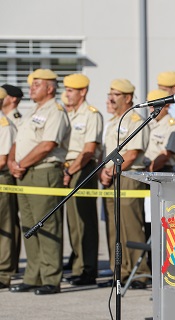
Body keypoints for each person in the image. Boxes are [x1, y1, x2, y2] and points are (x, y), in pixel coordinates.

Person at [8, 69, 71, 295]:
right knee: (28, 225)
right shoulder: (33, 111)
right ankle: (32, 276)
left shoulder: (55, 111)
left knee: (46, 224)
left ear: (50, 88)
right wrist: (13, 162)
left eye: (37, 84)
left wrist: (21, 163)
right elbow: (19, 139)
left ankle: (50, 278)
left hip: (43, 172)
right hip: (24, 172)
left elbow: (48, 145)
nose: (31, 88)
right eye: (32, 85)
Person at [99, 79, 150, 289]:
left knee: (130, 227)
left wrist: (110, 170)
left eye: (116, 94)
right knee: (114, 227)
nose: (111, 98)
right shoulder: (114, 121)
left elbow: (133, 152)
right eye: (110, 93)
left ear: (128, 98)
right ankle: (119, 272)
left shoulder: (136, 120)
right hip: (111, 177)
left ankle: (140, 273)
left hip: (128, 176)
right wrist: (104, 170)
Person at [62, 74, 103, 286]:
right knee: (73, 224)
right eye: (66, 90)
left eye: (71, 90)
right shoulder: (68, 114)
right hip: (68, 167)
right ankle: (77, 264)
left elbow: (88, 150)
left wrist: (71, 171)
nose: (67, 94)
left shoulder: (91, 114)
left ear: (82, 92)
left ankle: (88, 268)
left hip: (81, 168)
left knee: (85, 222)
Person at [0, 109, 18, 289]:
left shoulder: (4, 125)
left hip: (1, 178)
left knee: (4, 227)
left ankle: (3, 273)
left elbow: (2, 160)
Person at [144, 89, 175, 173]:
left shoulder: (173, 127)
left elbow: (166, 155)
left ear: (167, 106)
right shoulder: (150, 123)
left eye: (154, 106)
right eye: (150, 106)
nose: (151, 110)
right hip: (146, 168)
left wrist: (148, 171)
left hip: (162, 171)